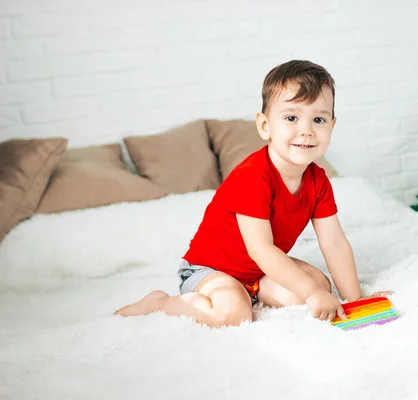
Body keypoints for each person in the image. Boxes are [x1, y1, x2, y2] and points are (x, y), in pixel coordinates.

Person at [114, 60, 391, 327]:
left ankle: (253, 291)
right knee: (234, 315)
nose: (306, 131)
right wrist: (309, 291)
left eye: (318, 119)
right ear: (264, 126)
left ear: (332, 126)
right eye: (292, 117)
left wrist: (355, 299)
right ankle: (159, 304)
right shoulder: (253, 176)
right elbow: (261, 248)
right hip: (212, 269)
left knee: (320, 286)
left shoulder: (317, 180)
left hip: (259, 272)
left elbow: (334, 243)